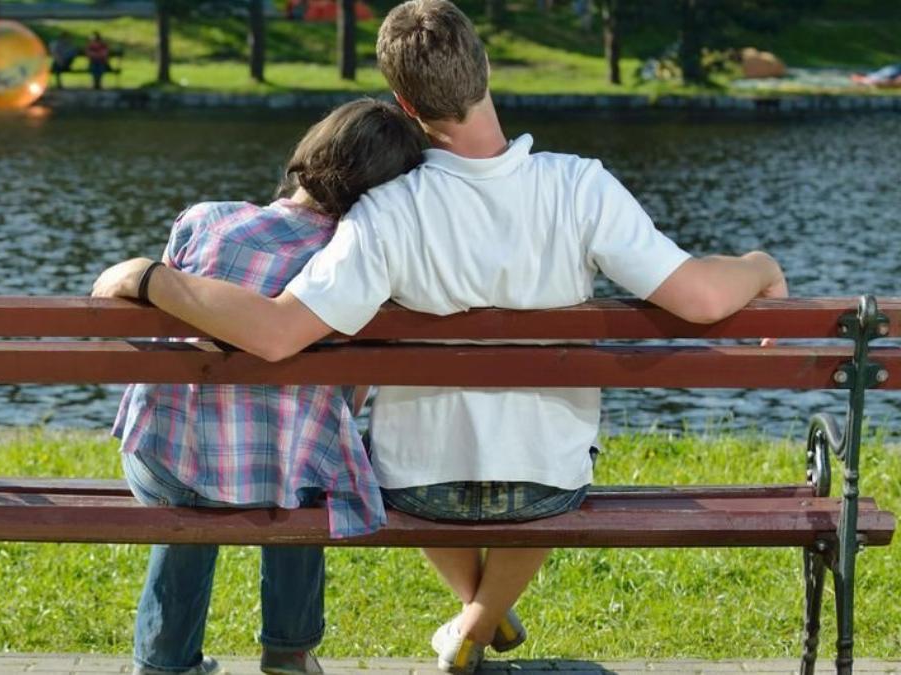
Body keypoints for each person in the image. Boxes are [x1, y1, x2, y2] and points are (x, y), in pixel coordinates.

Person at [91, 1, 788, 672]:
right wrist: (758, 266)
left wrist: (156, 279)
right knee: (551, 455)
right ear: (484, 68)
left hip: (420, 488)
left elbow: (275, 332)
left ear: (404, 103)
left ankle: (475, 616)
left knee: (408, 440)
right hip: (546, 485)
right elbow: (698, 297)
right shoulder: (582, 187)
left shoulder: (386, 210)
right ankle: (476, 620)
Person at [113, 98, 425, 675]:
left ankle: (162, 663)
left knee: (192, 470)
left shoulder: (204, 220)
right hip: (284, 480)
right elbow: (350, 396)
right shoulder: (354, 264)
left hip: (167, 464)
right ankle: (289, 650)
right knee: (309, 465)